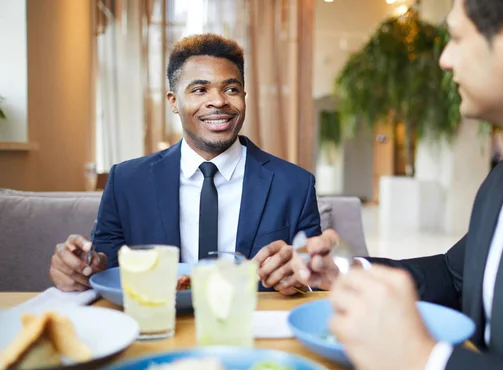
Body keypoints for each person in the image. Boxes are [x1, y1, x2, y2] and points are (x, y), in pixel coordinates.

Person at [285, 0, 503, 370]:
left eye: (455, 38)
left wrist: (426, 368)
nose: (445, 60)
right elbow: (456, 276)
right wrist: (347, 272)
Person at [50, 34, 321, 295]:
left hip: (250, 328)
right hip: (159, 327)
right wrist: (80, 270)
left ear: (244, 98)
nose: (218, 101)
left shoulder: (295, 184)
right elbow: (105, 271)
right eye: (200, 89)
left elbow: (313, 279)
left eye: (231, 89)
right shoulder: (126, 181)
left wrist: (301, 277)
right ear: (173, 102)